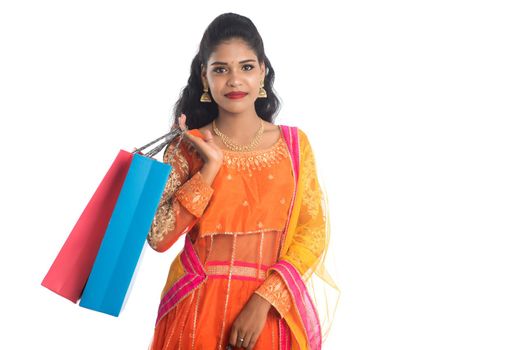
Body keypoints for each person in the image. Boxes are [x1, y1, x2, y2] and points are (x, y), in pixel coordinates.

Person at [146, 13, 339, 350]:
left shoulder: (295, 146)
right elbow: (158, 238)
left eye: (246, 67)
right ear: (204, 78)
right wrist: (209, 168)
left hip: (268, 314)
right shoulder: (187, 147)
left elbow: (313, 233)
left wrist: (265, 300)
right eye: (221, 69)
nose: (234, 80)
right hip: (196, 312)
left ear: (263, 71)